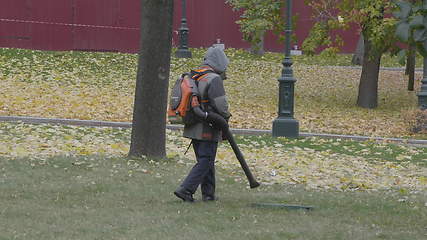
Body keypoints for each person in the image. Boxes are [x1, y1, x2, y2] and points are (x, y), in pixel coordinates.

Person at [174, 46, 231, 202]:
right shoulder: (213, 79)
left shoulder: (195, 76)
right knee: (206, 160)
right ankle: (185, 190)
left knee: (206, 160)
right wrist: (226, 118)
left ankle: (208, 194)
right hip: (208, 126)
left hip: (193, 124)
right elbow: (221, 106)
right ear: (220, 62)